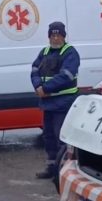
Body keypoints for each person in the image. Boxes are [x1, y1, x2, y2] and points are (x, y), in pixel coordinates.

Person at [30, 21, 80, 180]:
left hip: (63, 102)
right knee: (48, 136)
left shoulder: (70, 53)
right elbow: (34, 70)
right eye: (52, 35)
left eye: (58, 35)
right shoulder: (44, 52)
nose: (55, 38)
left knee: (61, 137)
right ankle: (52, 167)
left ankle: (63, 170)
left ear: (63, 36)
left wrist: (45, 89)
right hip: (48, 103)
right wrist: (38, 85)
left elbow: (66, 76)